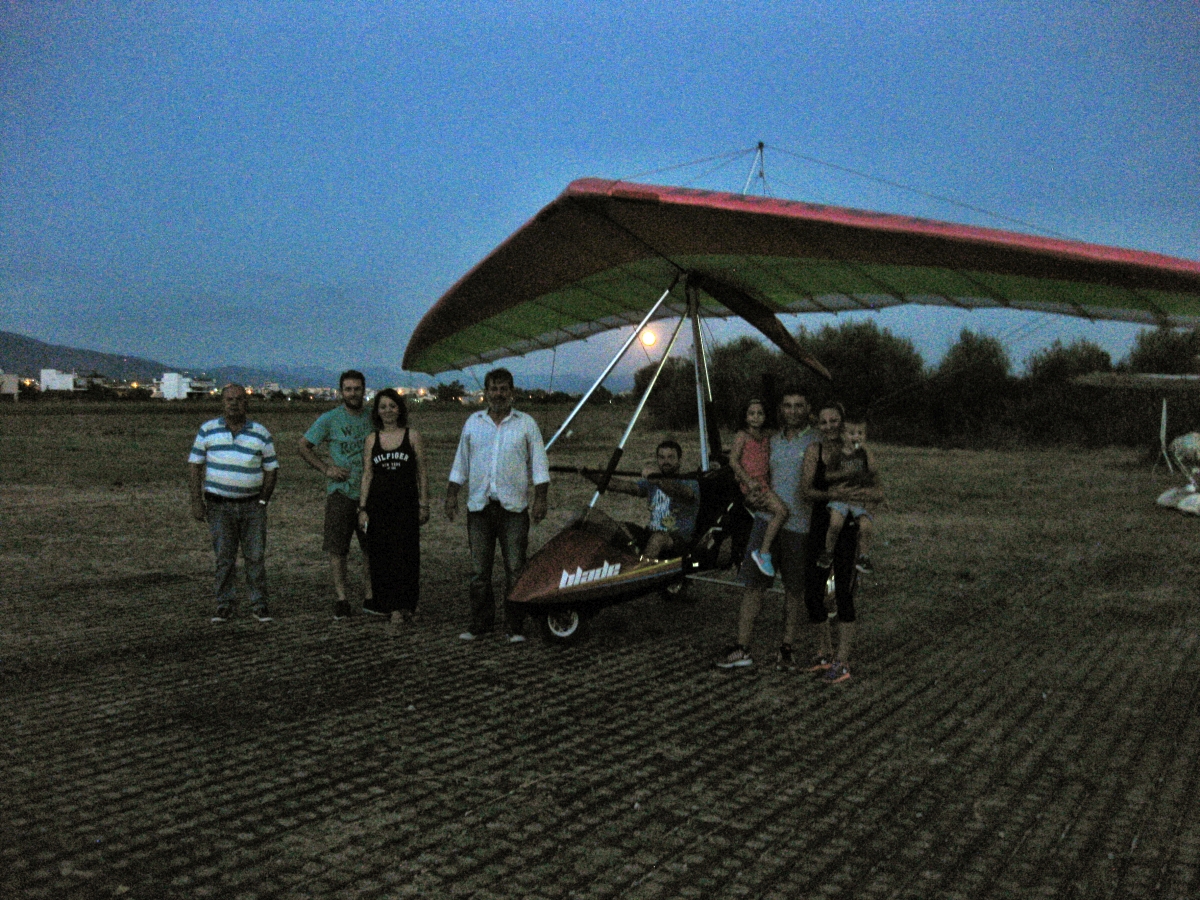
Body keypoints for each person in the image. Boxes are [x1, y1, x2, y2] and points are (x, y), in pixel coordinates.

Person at [445, 368, 550, 643]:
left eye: (503, 389)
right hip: (479, 508)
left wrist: (540, 499)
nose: (498, 393)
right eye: (493, 388)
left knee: (515, 569)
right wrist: (452, 494)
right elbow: (461, 463)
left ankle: (515, 626)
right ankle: (481, 624)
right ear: (486, 392)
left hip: (513, 509)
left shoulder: (526, 424)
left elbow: (539, 465)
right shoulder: (473, 422)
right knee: (479, 572)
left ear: (511, 392)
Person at [716, 390, 816, 670]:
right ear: (781, 409)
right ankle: (742, 648)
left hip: (798, 525)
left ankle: (787, 649)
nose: (793, 411)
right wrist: (748, 495)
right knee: (754, 586)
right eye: (788, 406)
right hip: (764, 519)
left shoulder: (816, 439)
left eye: (799, 405)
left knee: (794, 590)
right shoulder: (771, 439)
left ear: (808, 408)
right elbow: (749, 467)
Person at [801, 402, 885, 684]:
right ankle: (824, 651)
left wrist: (861, 497)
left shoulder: (859, 451)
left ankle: (842, 660)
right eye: (823, 422)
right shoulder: (815, 451)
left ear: (843, 422)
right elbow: (807, 490)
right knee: (813, 591)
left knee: (844, 593)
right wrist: (834, 495)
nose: (829, 427)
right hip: (822, 524)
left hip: (848, 527)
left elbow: (878, 489)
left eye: (834, 421)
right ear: (818, 425)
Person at [188, 383, 279, 623]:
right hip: (219, 506)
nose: (234, 403)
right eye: (229, 399)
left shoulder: (260, 433)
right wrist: (196, 501)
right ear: (222, 402)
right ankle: (224, 604)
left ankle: (259, 605)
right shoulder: (207, 430)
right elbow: (195, 466)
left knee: (255, 557)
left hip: (252, 506)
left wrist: (263, 499)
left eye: (239, 399)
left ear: (246, 402)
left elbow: (271, 469)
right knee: (224, 558)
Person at [298, 370, 375, 620]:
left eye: (357, 388)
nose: (353, 393)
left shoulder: (373, 418)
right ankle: (342, 599)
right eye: (348, 389)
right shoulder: (330, 419)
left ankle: (371, 596)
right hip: (341, 492)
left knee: (371, 548)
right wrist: (326, 469)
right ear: (341, 392)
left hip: (370, 494)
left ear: (364, 390)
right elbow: (304, 446)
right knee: (338, 549)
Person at [356, 389, 429, 625]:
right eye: (383, 407)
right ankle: (392, 607)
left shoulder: (412, 436)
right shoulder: (372, 439)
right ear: (377, 412)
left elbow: (422, 473)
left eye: (392, 406)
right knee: (383, 557)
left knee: (407, 555)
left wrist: (424, 504)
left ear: (400, 409)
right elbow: (367, 474)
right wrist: (362, 508)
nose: (388, 410)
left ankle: (410, 604)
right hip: (379, 508)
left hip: (406, 506)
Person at [584, 440, 701, 560]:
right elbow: (622, 486)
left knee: (658, 538)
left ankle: (641, 568)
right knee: (616, 527)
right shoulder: (652, 482)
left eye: (671, 457)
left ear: (679, 460)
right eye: (661, 457)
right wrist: (591, 474)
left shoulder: (690, 482)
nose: (666, 461)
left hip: (678, 540)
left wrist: (659, 481)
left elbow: (682, 493)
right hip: (650, 534)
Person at [727, 398, 790, 578]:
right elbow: (733, 461)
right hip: (753, 484)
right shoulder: (742, 435)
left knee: (775, 514)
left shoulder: (766, 435)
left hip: (764, 481)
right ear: (745, 416)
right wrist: (747, 481)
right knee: (781, 512)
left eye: (760, 413)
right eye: (751, 413)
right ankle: (763, 552)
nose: (755, 417)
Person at [815, 413, 878, 574]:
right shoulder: (838, 454)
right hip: (841, 497)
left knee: (866, 526)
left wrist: (866, 449)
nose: (856, 437)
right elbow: (828, 476)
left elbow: (873, 470)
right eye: (851, 433)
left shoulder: (864, 454)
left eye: (860, 433)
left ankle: (863, 557)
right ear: (843, 435)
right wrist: (844, 475)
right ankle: (828, 552)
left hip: (858, 497)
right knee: (835, 523)